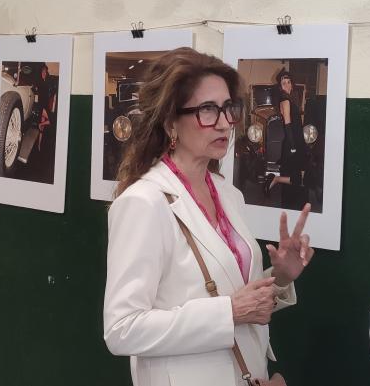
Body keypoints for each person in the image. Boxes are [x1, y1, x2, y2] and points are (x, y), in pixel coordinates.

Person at [104, 47, 315, 386]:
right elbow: (122, 329)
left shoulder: (228, 194)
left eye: (228, 108)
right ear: (170, 122)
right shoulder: (144, 202)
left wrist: (281, 277)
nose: (224, 123)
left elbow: (236, 296)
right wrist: (229, 312)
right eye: (207, 110)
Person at [263, 70, 308, 209]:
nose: (287, 85)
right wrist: (293, 146)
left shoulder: (291, 99)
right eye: (284, 83)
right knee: (297, 178)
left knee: (300, 174)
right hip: (292, 142)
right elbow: (288, 124)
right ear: (280, 86)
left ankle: (279, 182)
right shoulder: (285, 100)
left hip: (297, 139)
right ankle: (275, 179)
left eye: (289, 82)